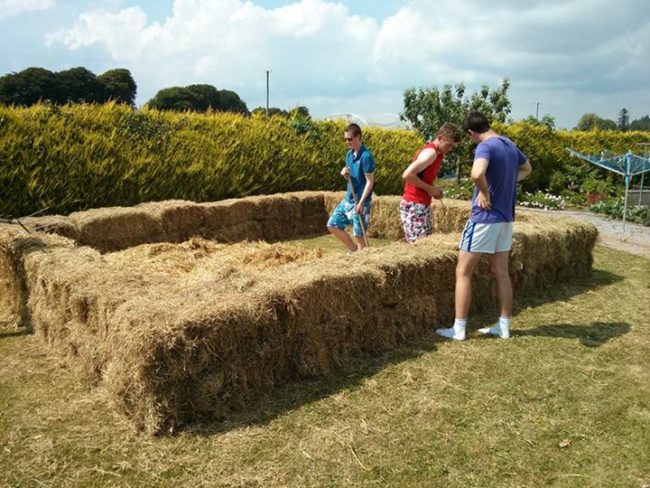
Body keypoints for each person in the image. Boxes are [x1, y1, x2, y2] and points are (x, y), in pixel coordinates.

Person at [436, 111, 532, 341]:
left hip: (484, 218)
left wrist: (486, 191)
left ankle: (458, 329)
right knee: (501, 272)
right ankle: (504, 326)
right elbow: (527, 168)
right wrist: (507, 182)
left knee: (463, 272)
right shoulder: (509, 145)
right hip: (506, 219)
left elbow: (476, 173)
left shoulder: (485, 147)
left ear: (471, 132)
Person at [400, 123, 462, 243]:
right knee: (418, 246)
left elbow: (421, 177)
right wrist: (429, 189)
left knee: (424, 244)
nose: (450, 149)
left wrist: (433, 189)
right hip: (414, 204)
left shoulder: (437, 154)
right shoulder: (431, 153)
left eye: (452, 147)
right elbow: (407, 175)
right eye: (448, 145)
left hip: (420, 203)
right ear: (440, 138)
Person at [327, 123, 376, 252]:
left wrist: (361, 203)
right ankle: (354, 250)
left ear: (358, 137)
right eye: (345, 139)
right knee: (332, 224)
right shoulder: (349, 155)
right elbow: (350, 178)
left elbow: (370, 182)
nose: (347, 142)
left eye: (349, 139)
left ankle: (361, 261)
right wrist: (345, 174)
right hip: (348, 200)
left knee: (359, 236)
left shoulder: (366, 157)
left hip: (360, 202)